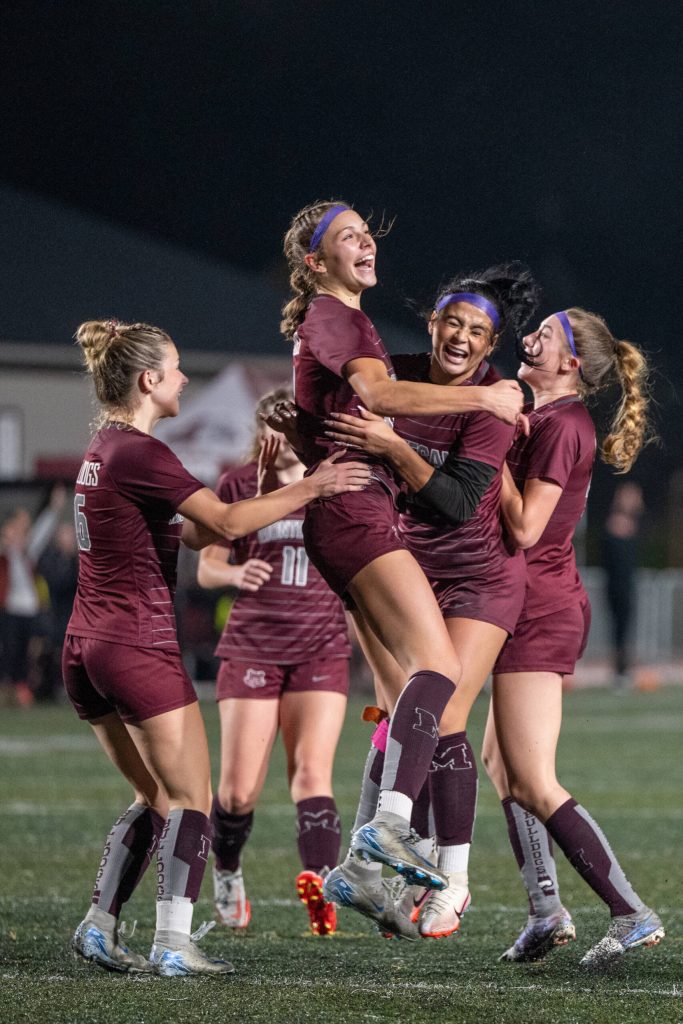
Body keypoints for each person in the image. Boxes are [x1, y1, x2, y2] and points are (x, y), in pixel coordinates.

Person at [63, 319, 370, 977]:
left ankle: (99, 925)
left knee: (156, 795)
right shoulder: (143, 450)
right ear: (148, 381)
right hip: (133, 644)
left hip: (86, 647)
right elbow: (227, 524)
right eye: (174, 368)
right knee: (193, 800)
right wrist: (312, 485)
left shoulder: (105, 448)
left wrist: (265, 491)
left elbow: (202, 535)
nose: (182, 379)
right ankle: (173, 941)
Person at [280, 198, 525, 919]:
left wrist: (328, 465)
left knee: (408, 706)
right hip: (357, 518)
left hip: (384, 529)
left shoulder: (344, 324)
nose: (365, 244)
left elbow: (322, 421)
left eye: (366, 234)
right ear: (313, 261)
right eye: (346, 237)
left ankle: (371, 870)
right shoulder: (339, 318)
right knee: (438, 676)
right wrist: (487, 396)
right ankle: (386, 838)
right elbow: (379, 396)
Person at [480, 307, 663, 969]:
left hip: (539, 608)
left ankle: (629, 912)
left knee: (530, 776)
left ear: (571, 364)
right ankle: (544, 911)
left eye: (545, 334)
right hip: (520, 601)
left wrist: (487, 448)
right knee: (501, 765)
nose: (527, 336)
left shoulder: (563, 423)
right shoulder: (542, 415)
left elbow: (526, 528)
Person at [197, 386, 351, 937]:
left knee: (312, 772)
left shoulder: (330, 483)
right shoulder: (238, 485)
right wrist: (235, 574)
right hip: (253, 646)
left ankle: (322, 882)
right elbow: (206, 567)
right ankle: (229, 869)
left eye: (287, 425)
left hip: (320, 646)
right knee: (238, 790)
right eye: (269, 425)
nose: (277, 436)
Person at [0, 485, 65, 706]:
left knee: (28, 652)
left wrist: (54, 508)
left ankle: (22, 687)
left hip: (29, 608)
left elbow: (42, 531)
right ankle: (8, 688)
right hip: (10, 608)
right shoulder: (6, 549)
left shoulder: (29, 549)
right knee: (9, 651)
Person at [602, 481, 644, 689]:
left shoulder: (635, 525)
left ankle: (624, 669)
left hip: (628, 585)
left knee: (626, 628)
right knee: (619, 629)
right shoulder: (615, 524)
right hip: (616, 587)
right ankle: (619, 672)